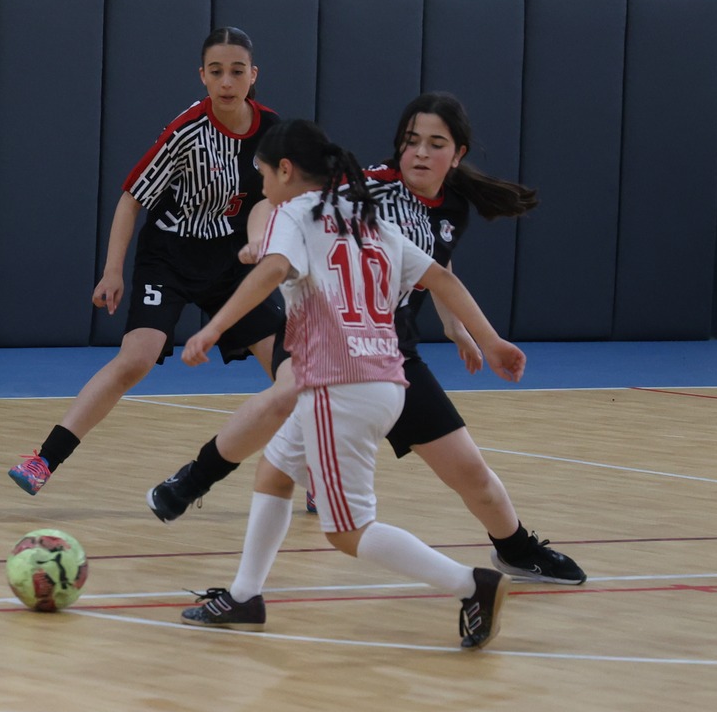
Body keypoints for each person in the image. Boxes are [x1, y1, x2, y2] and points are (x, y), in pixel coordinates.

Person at [147, 92, 586, 586]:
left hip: (389, 351)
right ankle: (194, 480)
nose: (420, 152)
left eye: (435, 143)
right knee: (285, 394)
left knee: (472, 473)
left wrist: (464, 330)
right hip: (329, 335)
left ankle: (515, 548)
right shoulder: (367, 188)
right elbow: (281, 200)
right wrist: (258, 238)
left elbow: (438, 269)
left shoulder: (452, 208)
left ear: (458, 155)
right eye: (411, 141)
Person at [174, 119, 524, 647]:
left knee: (347, 530)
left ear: (286, 171)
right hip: (384, 380)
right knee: (274, 473)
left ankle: (471, 584)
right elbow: (443, 278)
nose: (262, 188)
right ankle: (246, 596)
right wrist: (493, 340)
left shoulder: (293, 213)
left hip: (338, 386)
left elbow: (271, 270)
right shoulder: (367, 218)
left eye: (263, 176)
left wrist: (216, 327)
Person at [8, 27, 284, 494]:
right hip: (170, 257)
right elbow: (131, 199)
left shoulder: (273, 131)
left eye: (237, 71)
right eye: (216, 71)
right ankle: (43, 460)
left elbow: (266, 198)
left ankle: (319, 474)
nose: (226, 81)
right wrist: (113, 270)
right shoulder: (186, 132)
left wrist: (258, 240)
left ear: (253, 75)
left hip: (232, 262)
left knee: (290, 369)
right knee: (134, 360)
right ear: (202, 76)